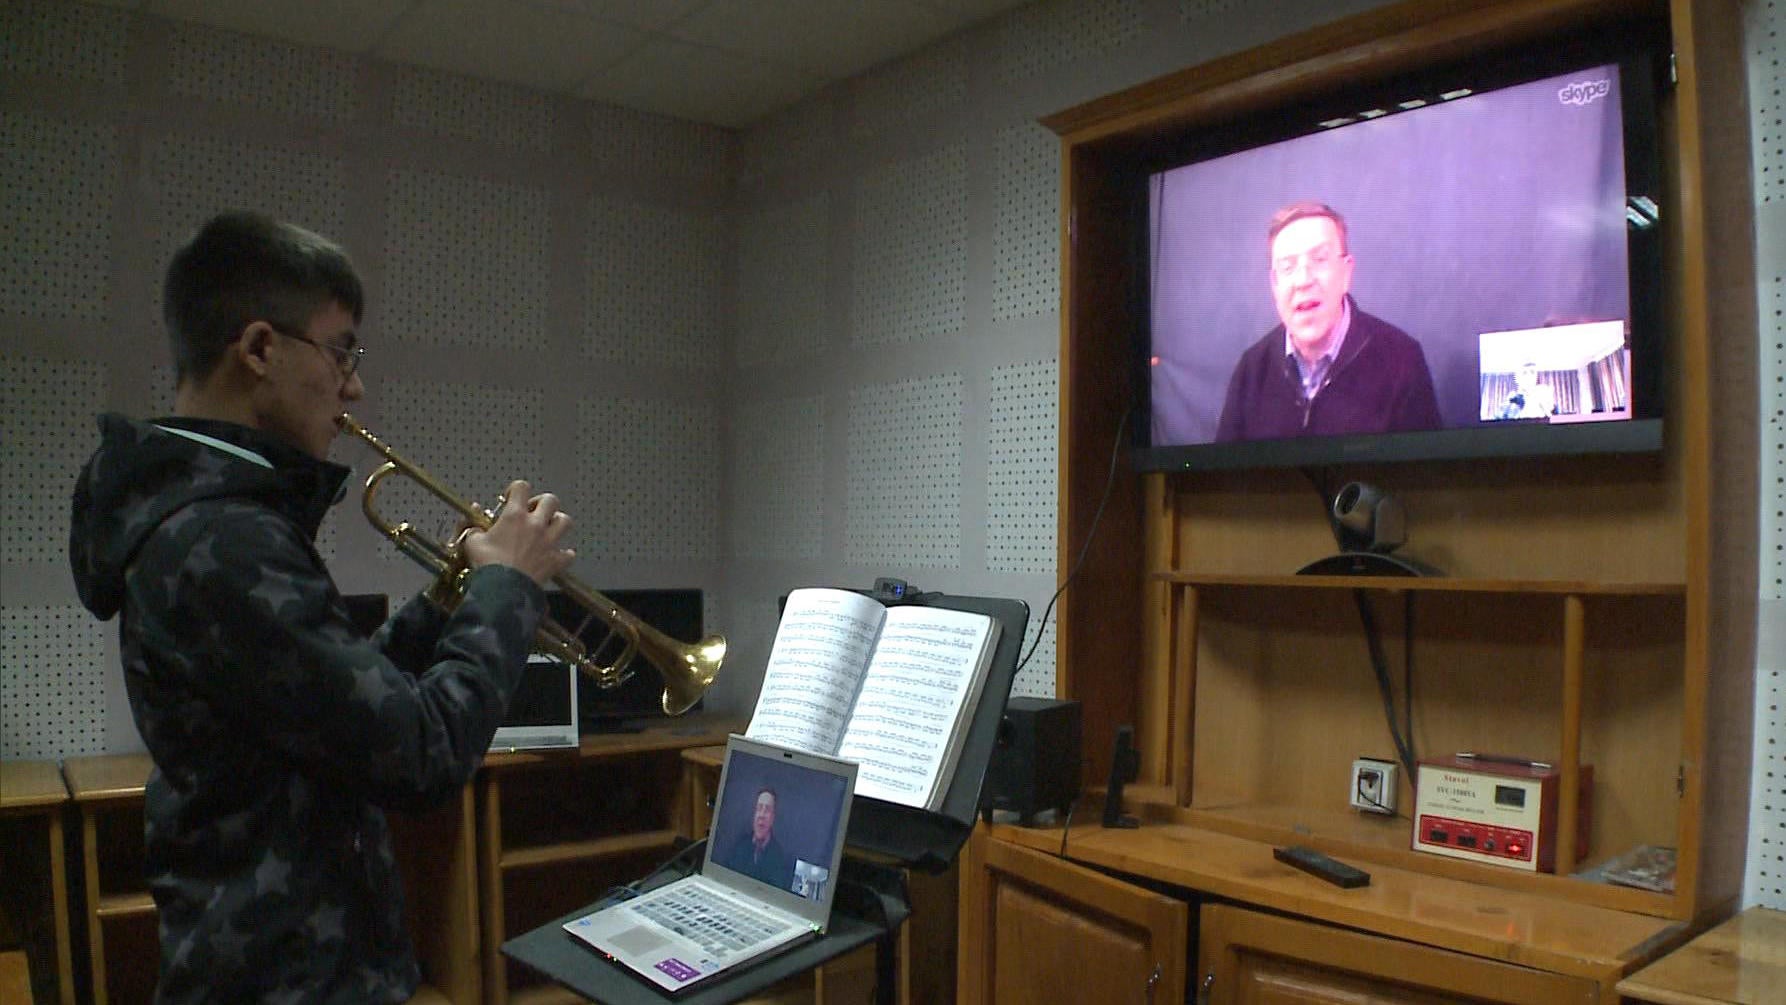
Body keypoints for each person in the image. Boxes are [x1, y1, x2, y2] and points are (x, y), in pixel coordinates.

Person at [68, 211, 577, 1004]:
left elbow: (348, 705)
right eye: (341, 352)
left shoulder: (220, 515)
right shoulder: (221, 539)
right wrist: (508, 589)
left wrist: (451, 595)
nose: (355, 385)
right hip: (285, 977)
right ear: (261, 348)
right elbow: (420, 756)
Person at [1215, 202, 1443, 441]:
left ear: (1346, 273)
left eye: (1319, 259)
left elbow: (1425, 472)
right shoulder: (1252, 369)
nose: (1303, 280)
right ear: (1275, 285)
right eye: (1287, 267)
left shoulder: (1402, 359)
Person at [715, 787, 796, 891]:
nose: (761, 815)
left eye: (767, 810)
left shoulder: (781, 858)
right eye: (759, 808)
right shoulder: (738, 847)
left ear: (773, 817)